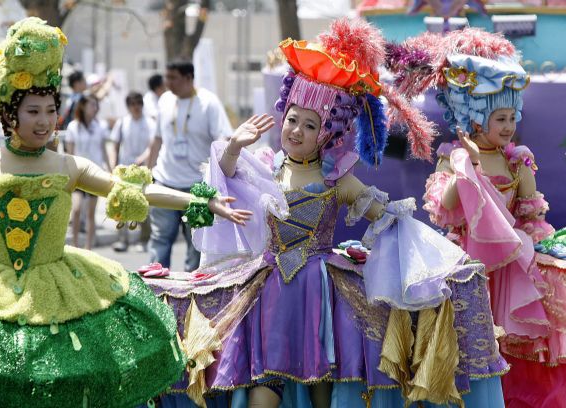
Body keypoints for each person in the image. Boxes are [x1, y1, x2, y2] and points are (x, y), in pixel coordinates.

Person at [148, 19, 507, 408]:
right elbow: (228, 176)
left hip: (320, 296)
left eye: (310, 124)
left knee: (324, 391)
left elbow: (387, 216)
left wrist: (434, 260)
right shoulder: (267, 166)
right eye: (291, 119)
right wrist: (234, 145)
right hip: (266, 293)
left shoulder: (337, 179)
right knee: (262, 393)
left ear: (327, 133)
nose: (297, 130)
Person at [0, 17, 254, 408]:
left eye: (51, 111)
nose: (45, 122)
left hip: (58, 294)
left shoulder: (67, 166)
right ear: (8, 112)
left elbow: (136, 190)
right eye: (33, 111)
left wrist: (201, 202)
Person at [393, 28, 566, 407]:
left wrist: (541, 256)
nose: (508, 126)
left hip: (509, 269)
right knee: (467, 343)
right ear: (473, 118)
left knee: (509, 346)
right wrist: (467, 165)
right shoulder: (451, 156)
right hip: (465, 264)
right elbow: (446, 207)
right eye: (499, 118)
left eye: (511, 117)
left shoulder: (517, 160)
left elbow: (530, 215)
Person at [147, 61, 233, 271]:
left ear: (188, 78)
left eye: (173, 78)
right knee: (159, 240)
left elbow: (223, 139)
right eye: (166, 77)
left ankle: (190, 295)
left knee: (197, 245)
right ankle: (154, 290)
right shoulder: (165, 100)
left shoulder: (208, 103)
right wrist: (147, 173)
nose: (167, 83)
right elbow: (157, 140)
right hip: (164, 182)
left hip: (198, 187)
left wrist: (220, 177)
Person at [108, 91, 155, 252]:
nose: (136, 107)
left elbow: (152, 146)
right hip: (124, 171)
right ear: (128, 106)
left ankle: (144, 239)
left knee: (142, 205)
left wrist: (142, 159)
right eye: (132, 104)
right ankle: (123, 240)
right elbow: (114, 145)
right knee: (121, 205)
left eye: (138, 103)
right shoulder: (122, 122)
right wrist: (113, 165)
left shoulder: (149, 123)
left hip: (142, 171)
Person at [64, 93, 109, 249]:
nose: (94, 108)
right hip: (78, 174)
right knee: (76, 210)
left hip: (95, 174)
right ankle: (76, 245)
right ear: (82, 106)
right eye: (91, 104)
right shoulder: (73, 127)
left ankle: (88, 248)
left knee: (91, 214)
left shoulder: (100, 126)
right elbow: (69, 153)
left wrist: (109, 170)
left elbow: (103, 150)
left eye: (96, 105)